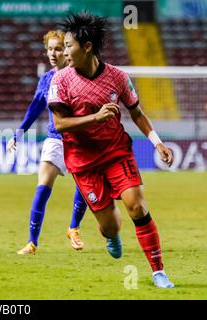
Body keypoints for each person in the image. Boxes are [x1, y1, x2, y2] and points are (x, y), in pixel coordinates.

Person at [48, 12, 175, 288]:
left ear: (87, 47)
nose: (65, 52)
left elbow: (137, 112)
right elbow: (59, 124)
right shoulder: (61, 81)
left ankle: (158, 271)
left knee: (138, 207)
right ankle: (111, 235)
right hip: (83, 161)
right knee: (110, 226)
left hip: (116, 152)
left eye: (69, 46)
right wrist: (96, 118)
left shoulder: (118, 77)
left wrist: (157, 141)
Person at [7, 30, 88, 255]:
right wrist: (19, 133)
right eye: (50, 49)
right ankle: (32, 243)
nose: (53, 53)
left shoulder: (80, 75)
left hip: (79, 138)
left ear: (67, 50)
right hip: (55, 138)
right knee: (42, 187)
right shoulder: (47, 79)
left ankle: (74, 227)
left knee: (84, 185)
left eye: (58, 49)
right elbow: (35, 108)